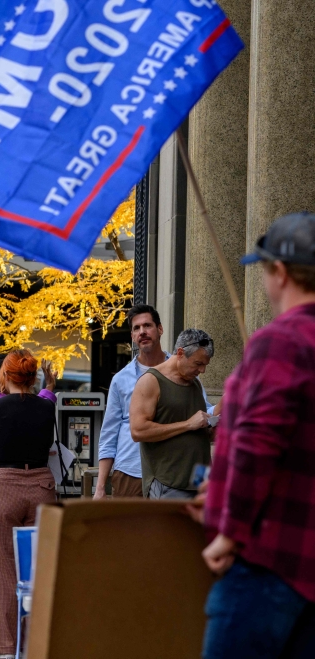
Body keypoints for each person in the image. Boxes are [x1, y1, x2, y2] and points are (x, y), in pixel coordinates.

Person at [196, 212, 315, 659]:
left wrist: (229, 531)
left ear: (280, 273)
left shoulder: (280, 341)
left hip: (268, 560)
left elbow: (258, 445)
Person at [0, 351, 56, 659]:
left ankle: (3, 647)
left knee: (2, 571)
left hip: (4, 486)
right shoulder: (46, 407)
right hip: (41, 485)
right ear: (32, 375)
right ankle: (38, 644)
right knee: (39, 571)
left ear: (5, 376)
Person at [130, 328, 215, 500]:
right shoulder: (151, 381)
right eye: (198, 364)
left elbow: (200, 430)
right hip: (169, 482)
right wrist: (187, 424)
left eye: (205, 365)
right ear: (181, 353)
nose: (202, 370)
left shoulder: (194, 383)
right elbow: (138, 431)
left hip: (201, 481)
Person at [93, 305, 167, 499]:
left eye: (147, 325)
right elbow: (109, 433)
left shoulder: (181, 372)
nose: (142, 332)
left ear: (160, 329)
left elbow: (205, 410)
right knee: (128, 530)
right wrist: (100, 487)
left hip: (172, 473)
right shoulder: (120, 379)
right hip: (130, 473)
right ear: (133, 336)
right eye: (136, 328)